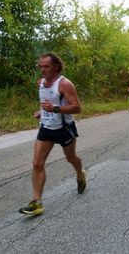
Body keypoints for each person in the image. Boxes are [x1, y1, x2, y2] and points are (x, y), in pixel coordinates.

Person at [19, 52, 86, 216]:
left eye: (46, 66)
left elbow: (77, 108)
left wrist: (55, 109)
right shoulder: (40, 83)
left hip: (64, 128)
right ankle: (37, 202)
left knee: (71, 158)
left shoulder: (65, 84)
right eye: (40, 66)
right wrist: (41, 112)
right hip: (47, 128)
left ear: (56, 67)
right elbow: (46, 103)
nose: (42, 70)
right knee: (37, 163)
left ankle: (80, 174)